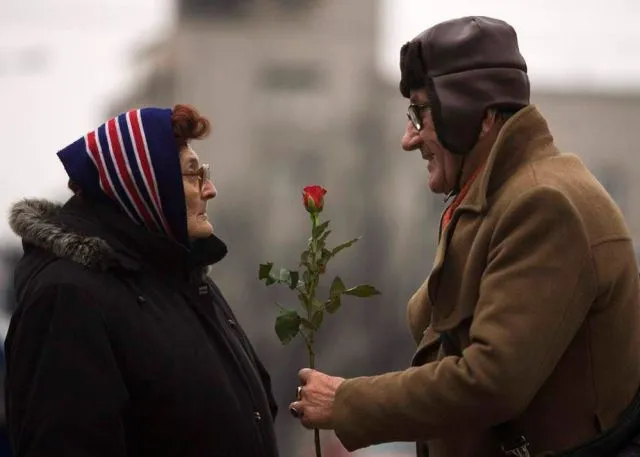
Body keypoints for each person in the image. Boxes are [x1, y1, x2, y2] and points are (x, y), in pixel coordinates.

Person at [288, 16, 640, 457]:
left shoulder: (542, 204)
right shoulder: (497, 196)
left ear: (481, 115)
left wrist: (348, 403)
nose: (408, 138)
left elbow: (493, 380)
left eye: (421, 112)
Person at [6, 105, 279, 457]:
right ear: (143, 184)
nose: (209, 189)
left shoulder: (182, 279)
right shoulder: (69, 298)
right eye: (193, 174)